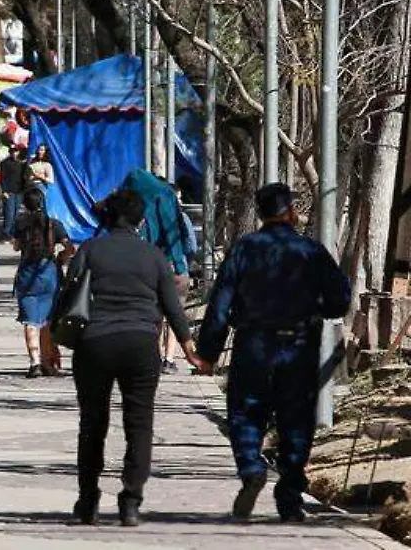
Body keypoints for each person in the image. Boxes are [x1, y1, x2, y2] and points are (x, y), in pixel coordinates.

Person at [197, 183, 351, 523]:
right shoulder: (311, 251)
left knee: (245, 412)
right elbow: (340, 299)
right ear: (291, 212)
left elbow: (220, 304)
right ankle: (290, 498)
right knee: (295, 420)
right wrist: (317, 310)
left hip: (253, 344)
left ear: (261, 213)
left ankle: (252, 467)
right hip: (299, 346)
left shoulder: (244, 249)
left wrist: (208, 352)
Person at [64, 188, 205, 527]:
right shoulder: (154, 256)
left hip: (94, 344)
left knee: (92, 423)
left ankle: (88, 499)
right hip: (141, 346)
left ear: (109, 216)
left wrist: (53, 339)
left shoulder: (90, 250)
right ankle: (131, 500)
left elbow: (68, 294)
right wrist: (189, 348)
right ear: (141, 221)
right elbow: (172, 306)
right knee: (139, 424)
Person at [120, 169, 193, 374]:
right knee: (173, 311)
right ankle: (167, 358)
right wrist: (180, 265)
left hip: (134, 264)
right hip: (166, 262)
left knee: (148, 313)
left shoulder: (125, 198)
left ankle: (147, 355)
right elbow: (175, 232)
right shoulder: (164, 195)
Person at [13, 188, 71, 377]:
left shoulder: (21, 223)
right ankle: (48, 362)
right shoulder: (54, 224)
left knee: (30, 320)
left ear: (25, 204)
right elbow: (70, 247)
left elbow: (16, 247)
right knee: (47, 320)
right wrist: (62, 257)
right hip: (49, 273)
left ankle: (34, 362)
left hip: (27, 273)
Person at [0, 147, 33, 241]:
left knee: (16, 213)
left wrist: (27, 163)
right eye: (12, 151)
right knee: (9, 213)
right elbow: (2, 178)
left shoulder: (22, 163)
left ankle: (12, 233)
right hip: (9, 191)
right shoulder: (5, 163)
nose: (14, 153)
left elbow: (26, 176)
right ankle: (6, 233)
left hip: (19, 191)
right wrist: (4, 191)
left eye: (16, 151)